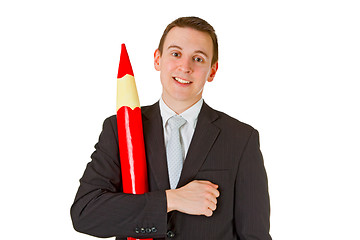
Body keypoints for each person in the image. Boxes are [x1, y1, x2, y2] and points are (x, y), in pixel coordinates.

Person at [71, 16, 272, 240]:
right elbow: (86, 213)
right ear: (158, 59)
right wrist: (171, 200)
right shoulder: (120, 129)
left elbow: (255, 235)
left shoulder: (241, 138)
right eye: (175, 54)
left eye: (198, 58)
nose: (185, 67)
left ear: (212, 71)